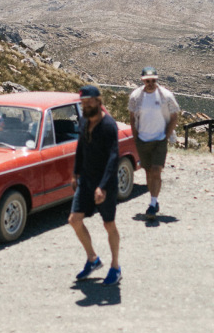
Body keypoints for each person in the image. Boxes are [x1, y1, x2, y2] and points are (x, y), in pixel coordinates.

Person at [69, 85, 122, 286]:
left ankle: (115, 267)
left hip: (105, 184)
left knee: (109, 224)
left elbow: (113, 157)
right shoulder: (83, 121)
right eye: (83, 102)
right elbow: (80, 148)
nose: (86, 105)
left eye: (89, 101)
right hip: (86, 181)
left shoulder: (108, 125)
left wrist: (103, 186)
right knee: (74, 220)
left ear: (99, 102)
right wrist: (75, 173)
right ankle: (93, 259)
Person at [128, 66, 179, 218]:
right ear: (143, 80)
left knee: (156, 170)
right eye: (147, 80)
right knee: (149, 171)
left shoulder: (166, 96)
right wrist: (136, 137)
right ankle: (154, 201)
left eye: (153, 80)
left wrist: (166, 135)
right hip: (143, 140)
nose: (150, 83)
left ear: (157, 80)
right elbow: (132, 117)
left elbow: (174, 116)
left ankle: (152, 204)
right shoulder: (136, 96)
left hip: (159, 140)